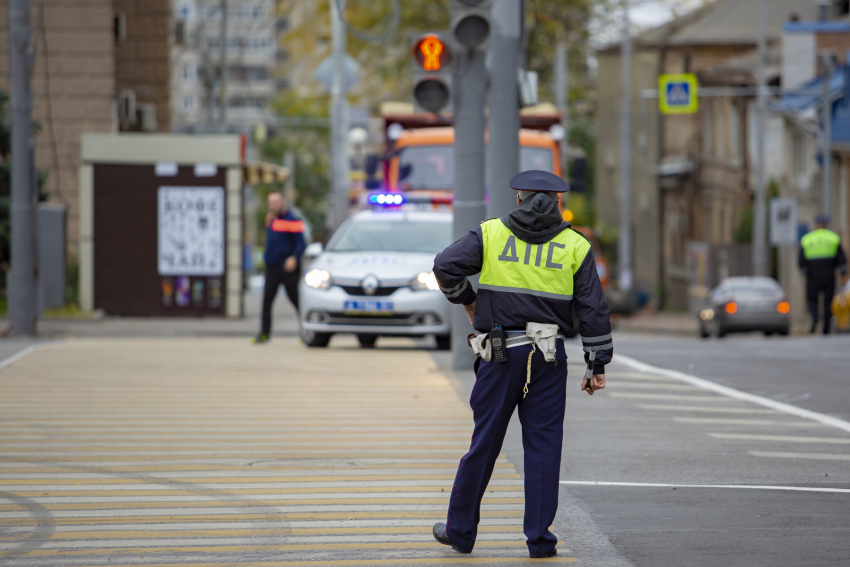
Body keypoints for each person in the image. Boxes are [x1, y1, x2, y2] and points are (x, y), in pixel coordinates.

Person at [430, 170, 613, 558]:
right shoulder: (574, 245)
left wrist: (469, 301)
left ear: (519, 200)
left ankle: (460, 532)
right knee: (544, 447)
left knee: (484, 443)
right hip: (547, 356)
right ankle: (540, 541)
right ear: (559, 205)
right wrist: (596, 365)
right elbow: (593, 308)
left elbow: (445, 266)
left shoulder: (492, 233)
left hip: (500, 353)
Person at [253, 191, 305, 344]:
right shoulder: (271, 220)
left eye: (277, 201)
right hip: (272, 268)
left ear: (283, 201)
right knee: (267, 301)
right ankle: (264, 333)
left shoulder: (293, 220)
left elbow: (301, 243)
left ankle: (307, 330)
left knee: (296, 300)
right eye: (271, 202)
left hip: (287, 268)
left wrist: (294, 257)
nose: (274, 204)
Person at [799, 214, 848, 334]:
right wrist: (843, 272)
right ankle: (826, 329)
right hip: (829, 275)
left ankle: (815, 316)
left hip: (813, 276)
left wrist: (804, 270)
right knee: (828, 303)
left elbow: (801, 259)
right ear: (826, 225)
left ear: (816, 225)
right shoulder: (833, 238)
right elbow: (841, 258)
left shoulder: (807, 239)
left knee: (811, 300)